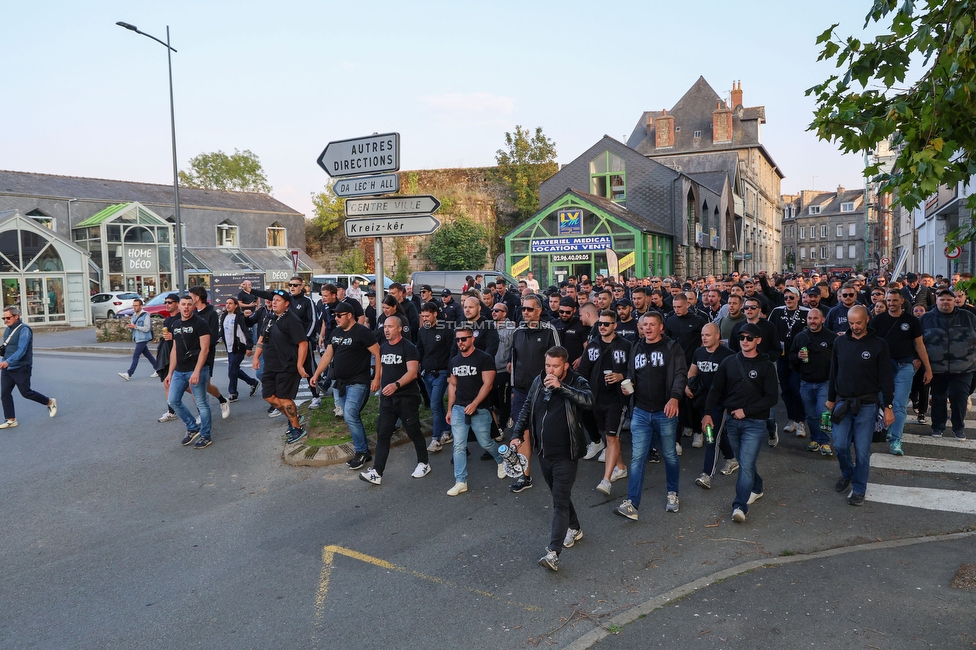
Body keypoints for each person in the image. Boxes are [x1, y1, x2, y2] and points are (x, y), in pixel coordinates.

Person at [510, 346, 594, 572]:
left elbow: (588, 401)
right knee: (560, 494)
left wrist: (562, 387)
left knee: (558, 502)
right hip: (543, 452)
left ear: (565, 365)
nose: (550, 370)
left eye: (555, 366)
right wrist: (517, 434)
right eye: (547, 365)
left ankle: (553, 553)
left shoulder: (576, 382)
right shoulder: (539, 380)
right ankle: (574, 527)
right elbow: (527, 408)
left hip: (566, 454)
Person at [702, 322, 779, 523]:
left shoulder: (766, 366)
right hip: (732, 422)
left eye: (749, 338)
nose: (745, 341)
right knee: (745, 461)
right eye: (741, 337)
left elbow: (771, 398)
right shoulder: (729, 362)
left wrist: (747, 411)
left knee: (745, 465)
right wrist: (708, 413)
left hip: (755, 423)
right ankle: (757, 486)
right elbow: (716, 389)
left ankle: (739, 506)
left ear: (758, 341)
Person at [614, 311, 687, 520]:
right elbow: (631, 373)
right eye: (644, 324)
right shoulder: (636, 347)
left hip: (665, 411)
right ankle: (632, 504)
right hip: (641, 411)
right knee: (637, 458)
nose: (647, 328)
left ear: (661, 327)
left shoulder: (672, 348)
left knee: (670, 454)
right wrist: (629, 386)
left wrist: (675, 398)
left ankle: (673, 494)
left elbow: (681, 375)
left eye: (652, 324)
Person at [826, 306, 895, 506]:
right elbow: (833, 372)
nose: (855, 327)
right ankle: (847, 472)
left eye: (858, 322)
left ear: (867, 320)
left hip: (867, 403)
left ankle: (859, 488)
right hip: (842, 402)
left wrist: (888, 405)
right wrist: (831, 398)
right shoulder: (839, 342)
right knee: (839, 445)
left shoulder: (879, 344)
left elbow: (886, 377)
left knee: (863, 450)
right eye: (851, 323)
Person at [359, 315, 431, 485]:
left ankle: (424, 463)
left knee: (413, 431)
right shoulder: (383, 347)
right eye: (385, 326)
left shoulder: (409, 347)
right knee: (383, 433)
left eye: (390, 326)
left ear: (399, 329)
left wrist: (396, 385)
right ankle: (377, 472)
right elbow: (381, 368)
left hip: (406, 397)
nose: (386, 329)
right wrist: (377, 380)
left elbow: (412, 372)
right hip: (387, 399)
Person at [312, 302, 381, 469]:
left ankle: (361, 451)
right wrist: (316, 374)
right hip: (340, 383)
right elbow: (328, 356)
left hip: (358, 382)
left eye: (339, 315)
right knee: (349, 416)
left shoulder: (362, 332)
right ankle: (363, 449)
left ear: (349, 315)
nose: (336, 318)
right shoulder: (335, 333)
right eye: (334, 315)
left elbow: (378, 353)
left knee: (350, 414)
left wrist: (377, 378)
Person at [507, 294, 561, 493]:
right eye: (523, 309)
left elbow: (560, 360)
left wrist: (555, 386)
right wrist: (513, 388)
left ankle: (557, 470)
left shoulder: (549, 331)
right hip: (521, 391)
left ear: (539, 310)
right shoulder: (518, 331)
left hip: (545, 390)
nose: (525, 313)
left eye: (530, 309)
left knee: (548, 431)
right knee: (522, 433)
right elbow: (514, 361)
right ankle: (525, 476)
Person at [445, 324, 506, 496]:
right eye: (458, 340)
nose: (460, 342)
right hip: (458, 409)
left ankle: (501, 460)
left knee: (485, 442)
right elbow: (452, 386)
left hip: (480, 409)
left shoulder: (484, 358)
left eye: (464, 339)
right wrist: (450, 409)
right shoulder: (454, 361)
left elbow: (488, 384)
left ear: (473, 339)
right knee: (458, 446)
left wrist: (475, 403)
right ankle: (461, 481)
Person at [577, 309, 632, 497]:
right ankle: (620, 466)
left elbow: (634, 369)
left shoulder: (626, 345)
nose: (602, 327)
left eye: (606, 324)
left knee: (611, 437)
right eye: (600, 323)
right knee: (611, 435)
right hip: (596, 399)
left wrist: (621, 376)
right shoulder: (592, 345)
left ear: (615, 326)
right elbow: (583, 371)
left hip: (617, 399)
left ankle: (606, 480)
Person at [872, 288, 932, 453]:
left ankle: (896, 440)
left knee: (899, 405)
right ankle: (887, 428)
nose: (891, 303)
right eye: (889, 300)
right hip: (882, 368)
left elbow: (919, 345)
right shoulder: (877, 321)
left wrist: (928, 369)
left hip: (905, 367)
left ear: (902, 301)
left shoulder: (911, 321)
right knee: (883, 401)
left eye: (894, 300)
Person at [252, 289, 309, 444]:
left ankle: (297, 428)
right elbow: (262, 337)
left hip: (287, 365)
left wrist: (299, 365)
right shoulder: (270, 317)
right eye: (273, 299)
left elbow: (303, 344)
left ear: (287, 304)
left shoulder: (292, 320)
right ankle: (293, 417)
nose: (274, 302)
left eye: (278, 300)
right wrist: (256, 356)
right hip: (270, 365)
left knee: (284, 398)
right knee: (268, 396)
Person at [920, 289, 976, 440]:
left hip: (964, 367)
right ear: (936, 301)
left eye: (949, 300)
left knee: (959, 398)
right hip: (936, 368)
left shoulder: (969, 317)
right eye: (942, 299)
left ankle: (958, 427)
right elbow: (918, 343)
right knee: (938, 398)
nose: (945, 302)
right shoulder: (925, 319)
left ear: (954, 301)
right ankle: (938, 426)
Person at [687, 323, 737, 488]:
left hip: (719, 404)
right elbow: (692, 371)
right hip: (703, 401)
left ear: (717, 336)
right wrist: (688, 385)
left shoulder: (728, 355)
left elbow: (734, 380)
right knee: (717, 434)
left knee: (711, 438)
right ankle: (731, 459)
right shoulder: (699, 352)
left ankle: (707, 475)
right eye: (702, 335)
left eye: (708, 335)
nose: (704, 338)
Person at [165, 296, 213, 448]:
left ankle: (206, 435)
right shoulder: (176, 324)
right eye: (183, 304)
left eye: (189, 305)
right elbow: (174, 349)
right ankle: (192, 427)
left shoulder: (201, 324)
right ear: (179, 306)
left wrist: (197, 371)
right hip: (180, 370)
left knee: (201, 403)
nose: (186, 307)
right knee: (173, 400)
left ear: (194, 306)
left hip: (197, 369)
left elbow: (205, 349)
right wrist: (170, 372)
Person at [0, 306, 56, 429]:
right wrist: (5, 360)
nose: (6, 320)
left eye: (8, 318)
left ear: (16, 316)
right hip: (7, 368)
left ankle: (49, 402)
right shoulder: (8, 330)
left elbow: (22, 350)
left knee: (26, 392)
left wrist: (8, 361)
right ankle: (11, 419)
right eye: (4, 318)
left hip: (21, 367)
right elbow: (7, 348)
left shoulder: (24, 330)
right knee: (4, 393)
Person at [790, 308, 835, 456]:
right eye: (810, 318)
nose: (812, 321)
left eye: (815, 318)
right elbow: (791, 357)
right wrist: (797, 356)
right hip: (806, 382)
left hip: (825, 382)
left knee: (824, 413)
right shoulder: (800, 337)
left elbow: (838, 359)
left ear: (822, 320)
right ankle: (815, 439)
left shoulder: (831, 337)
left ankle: (825, 442)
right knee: (810, 414)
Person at [768, 287, 810, 437]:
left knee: (796, 388)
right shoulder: (778, 311)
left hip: (799, 358)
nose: (788, 301)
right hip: (783, 356)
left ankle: (800, 421)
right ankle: (792, 418)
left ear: (798, 297)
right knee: (785, 390)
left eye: (791, 297)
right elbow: (770, 330)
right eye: (786, 298)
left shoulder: (806, 312)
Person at [188, 287, 231, 420]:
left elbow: (213, 336)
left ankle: (222, 400)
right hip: (191, 354)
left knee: (205, 385)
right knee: (193, 385)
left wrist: (202, 346)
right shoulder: (193, 313)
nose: (189, 300)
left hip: (206, 353)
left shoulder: (211, 313)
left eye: (191, 297)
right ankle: (202, 412)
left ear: (197, 297)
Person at [417, 301, 452, 451]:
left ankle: (435, 439)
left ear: (435, 314)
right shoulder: (421, 331)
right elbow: (419, 350)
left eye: (427, 316)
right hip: (427, 374)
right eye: (423, 316)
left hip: (441, 373)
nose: (425, 318)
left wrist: (451, 372)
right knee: (436, 405)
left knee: (434, 405)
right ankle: (448, 430)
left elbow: (453, 353)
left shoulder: (446, 330)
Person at [218, 297, 259, 402]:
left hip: (239, 347)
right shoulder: (224, 316)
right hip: (230, 347)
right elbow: (222, 331)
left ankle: (233, 393)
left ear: (236, 305)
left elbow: (246, 331)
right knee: (234, 370)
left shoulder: (240, 317)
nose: (227, 305)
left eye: (230, 303)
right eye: (226, 303)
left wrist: (249, 347)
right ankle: (253, 382)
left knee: (232, 370)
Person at [155, 294, 181, 423]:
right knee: (168, 382)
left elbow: (185, 337)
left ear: (177, 303)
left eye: (170, 302)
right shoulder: (167, 320)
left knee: (187, 385)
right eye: (166, 302)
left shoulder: (180, 319)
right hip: (168, 354)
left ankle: (202, 403)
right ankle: (171, 411)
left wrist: (173, 338)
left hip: (179, 355)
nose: (167, 304)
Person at [118, 297, 156, 381]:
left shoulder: (146, 315)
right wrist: (130, 327)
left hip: (143, 338)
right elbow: (133, 326)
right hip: (137, 338)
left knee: (136, 355)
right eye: (133, 305)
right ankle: (159, 368)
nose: (134, 307)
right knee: (147, 354)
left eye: (136, 305)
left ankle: (129, 373)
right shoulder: (134, 315)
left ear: (141, 306)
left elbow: (147, 328)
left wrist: (135, 327)